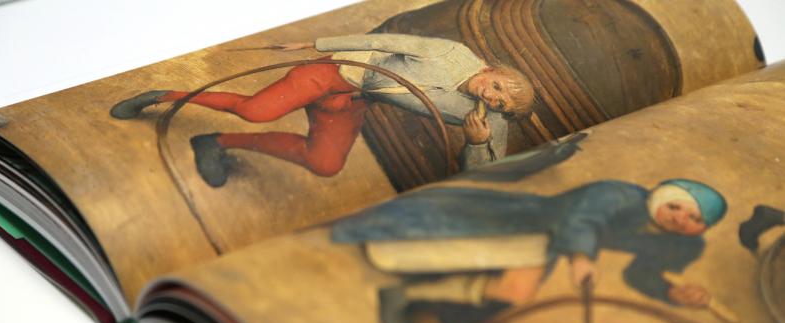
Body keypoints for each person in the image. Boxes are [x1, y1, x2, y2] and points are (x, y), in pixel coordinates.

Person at [110, 34, 535, 186]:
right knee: (257, 111)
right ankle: (162, 95)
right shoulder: (451, 54)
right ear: (492, 69)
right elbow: (386, 42)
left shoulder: (487, 120)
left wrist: (474, 144)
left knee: (326, 163)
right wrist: (315, 44)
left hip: (351, 100)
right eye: (497, 87)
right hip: (335, 72)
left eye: (501, 103)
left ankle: (214, 141)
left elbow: (483, 174)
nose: (491, 97)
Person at [331, 178, 728, 323]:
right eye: (677, 207)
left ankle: (408, 296)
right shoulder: (620, 195)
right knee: (433, 241)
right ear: (663, 197)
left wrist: (672, 293)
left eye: (695, 220)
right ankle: (405, 293)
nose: (681, 220)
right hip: (536, 223)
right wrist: (581, 258)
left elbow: (642, 275)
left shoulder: (683, 246)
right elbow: (582, 217)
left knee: (514, 292)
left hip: (551, 246)